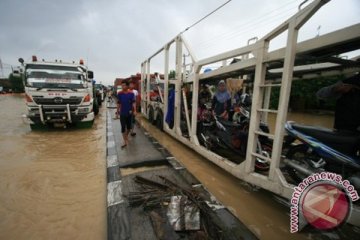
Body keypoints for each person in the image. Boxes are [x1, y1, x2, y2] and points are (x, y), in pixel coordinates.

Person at [117, 81, 136, 148]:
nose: (123, 87)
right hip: (122, 113)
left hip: (129, 113)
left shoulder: (131, 94)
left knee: (128, 127)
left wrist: (135, 111)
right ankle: (124, 141)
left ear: (127, 86)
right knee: (123, 127)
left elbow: (133, 103)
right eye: (122, 85)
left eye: (124, 85)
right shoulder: (120, 93)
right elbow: (119, 103)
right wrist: (117, 112)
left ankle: (126, 136)